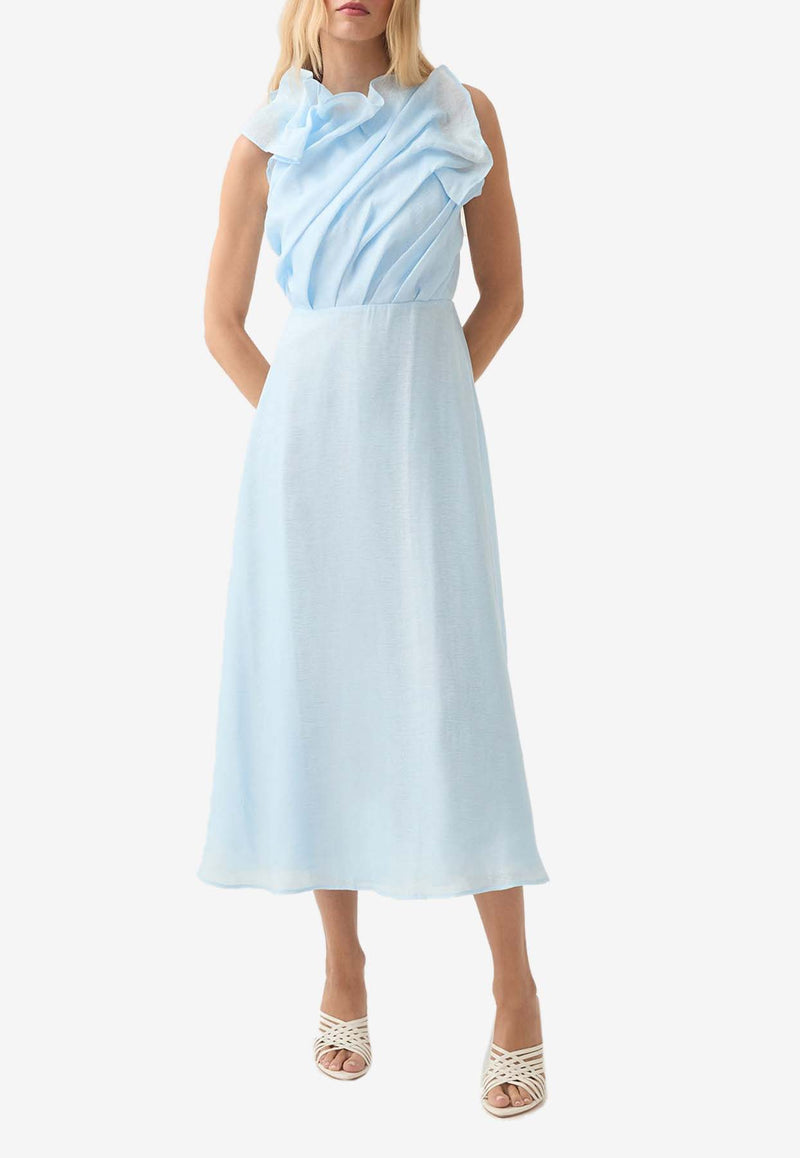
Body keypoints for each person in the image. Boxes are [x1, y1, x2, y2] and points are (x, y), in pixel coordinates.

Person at [199, 0, 549, 1117]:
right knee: (325, 699)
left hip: (423, 448)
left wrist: (420, 402)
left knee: (456, 695)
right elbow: (219, 323)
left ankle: (514, 987)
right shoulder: (264, 138)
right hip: (300, 465)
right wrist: (306, 423)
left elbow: (504, 296)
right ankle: (342, 965)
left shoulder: (462, 112)